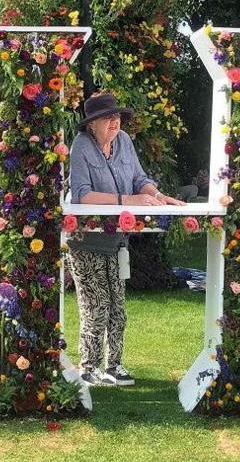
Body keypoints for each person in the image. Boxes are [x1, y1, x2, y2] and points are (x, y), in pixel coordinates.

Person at [68, 91, 184, 387]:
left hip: (118, 241)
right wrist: (127, 200)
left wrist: (159, 196)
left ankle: (114, 365)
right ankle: (88, 366)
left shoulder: (125, 142)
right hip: (87, 240)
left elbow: (140, 180)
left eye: (117, 116)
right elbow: (83, 195)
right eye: (107, 117)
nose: (114, 121)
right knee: (96, 305)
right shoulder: (81, 146)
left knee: (118, 307)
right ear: (91, 124)